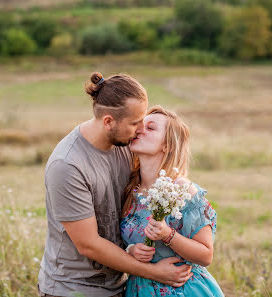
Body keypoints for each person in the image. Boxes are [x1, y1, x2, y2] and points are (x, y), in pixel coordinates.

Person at [37, 72, 193, 297]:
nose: (140, 129)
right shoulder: (67, 165)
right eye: (135, 123)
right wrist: (155, 273)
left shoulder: (126, 146)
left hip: (119, 284)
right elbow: (88, 244)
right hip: (72, 289)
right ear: (108, 122)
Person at [120, 106, 224, 296]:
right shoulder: (129, 189)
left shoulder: (184, 191)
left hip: (182, 289)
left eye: (150, 128)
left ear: (167, 145)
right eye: (139, 126)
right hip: (139, 289)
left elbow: (205, 255)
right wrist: (131, 251)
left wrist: (168, 234)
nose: (139, 130)